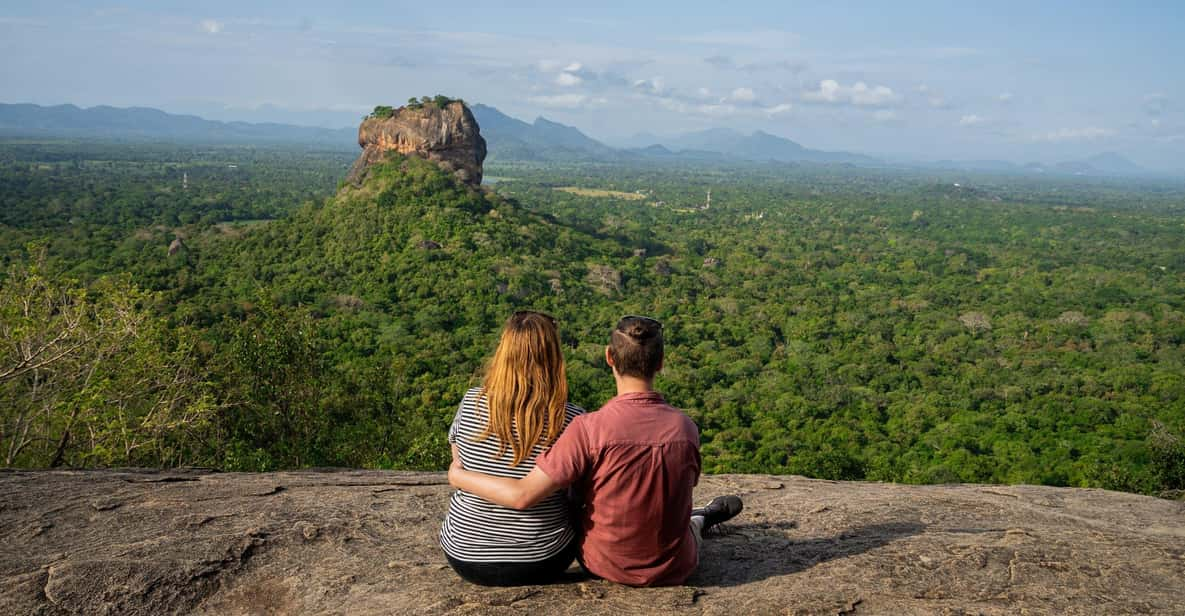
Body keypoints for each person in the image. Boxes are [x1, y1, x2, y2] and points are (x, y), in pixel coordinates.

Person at [449, 315, 743, 587]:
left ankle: (700, 517)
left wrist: (458, 476)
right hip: (559, 559)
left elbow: (462, 455)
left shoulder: (473, 402)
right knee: (688, 523)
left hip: (471, 554)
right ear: (661, 362)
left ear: (609, 357)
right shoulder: (683, 428)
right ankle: (701, 518)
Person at [438, 310, 585, 586]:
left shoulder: (470, 403)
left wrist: (458, 477)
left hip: (465, 556)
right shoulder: (573, 420)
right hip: (542, 559)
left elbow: (459, 462)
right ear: (553, 359)